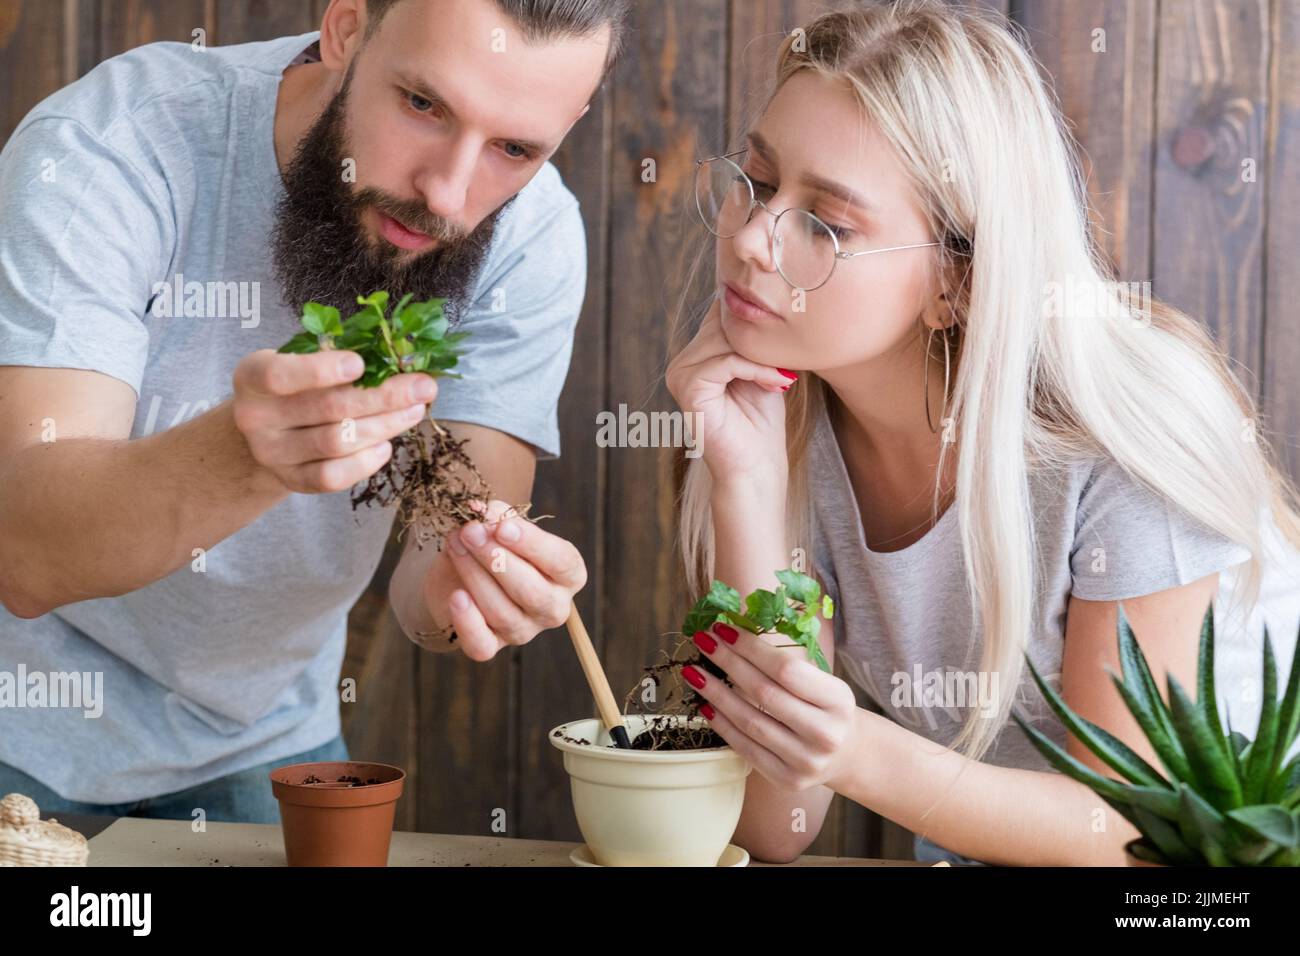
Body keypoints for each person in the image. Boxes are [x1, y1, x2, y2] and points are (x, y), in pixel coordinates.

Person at [665, 0, 1300, 866]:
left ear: (956, 284)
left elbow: (1131, 829)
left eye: (827, 225)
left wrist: (855, 750)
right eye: (761, 180)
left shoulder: (1122, 438)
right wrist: (743, 486)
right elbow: (781, 825)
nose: (749, 239)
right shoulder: (776, 423)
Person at [0, 0, 630, 823]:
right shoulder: (117, 142)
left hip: (267, 737)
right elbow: (26, 552)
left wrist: (459, 591)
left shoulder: (532, 238)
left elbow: (433, 583)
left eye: (515, 148)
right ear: (346, 29)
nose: (446, 193)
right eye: (423, 105)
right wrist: (244, 455)